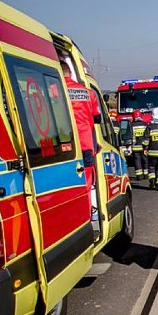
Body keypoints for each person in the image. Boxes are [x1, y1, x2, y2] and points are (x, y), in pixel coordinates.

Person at [61, 61, 101, 223]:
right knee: (85, 184)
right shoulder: (87, 92)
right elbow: (97, 117)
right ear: (70, 73)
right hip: (85, 145)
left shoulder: (53, 90)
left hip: (63, 144)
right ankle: (87, 216)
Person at [130, 115, 147, 180]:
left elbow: (131, 136)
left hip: (135, 147)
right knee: (145, 160)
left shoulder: (131, 125)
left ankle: (139, 176)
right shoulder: (145, 125)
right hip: (143, 146)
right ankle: (146, 175)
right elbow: (147, 135)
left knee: (137, 161)